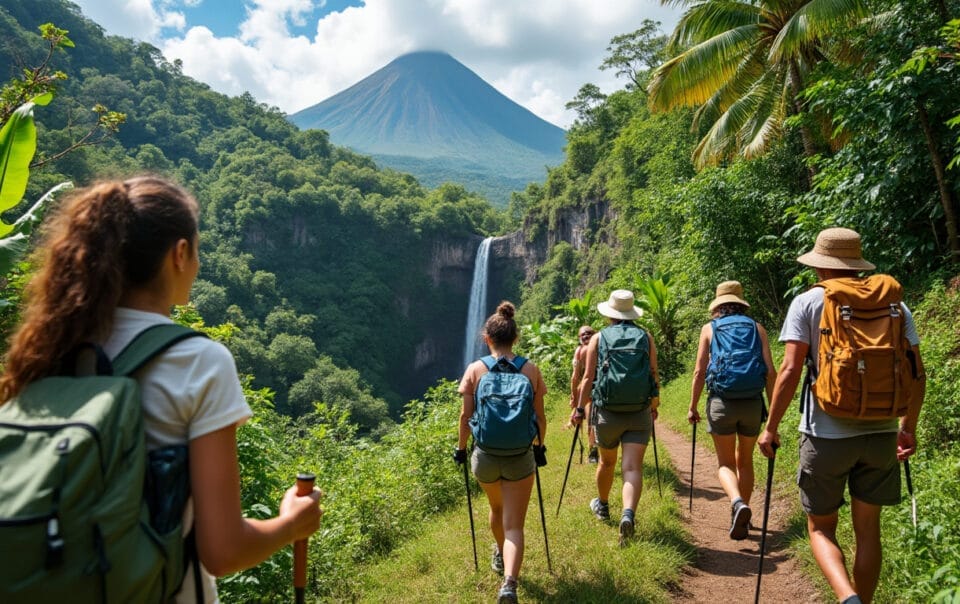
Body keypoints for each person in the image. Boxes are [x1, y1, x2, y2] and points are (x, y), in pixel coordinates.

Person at [0, 176, 323, 603]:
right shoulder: (199, 363)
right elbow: (223, 552)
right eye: (198, 249)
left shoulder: (46, 349)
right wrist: (293, 523)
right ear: (180, 253)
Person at [758, 228, 925, 604]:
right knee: (869, 532)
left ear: (820, 266)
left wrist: (770, 427)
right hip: (881, 432)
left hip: (825, 434)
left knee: (819, 528)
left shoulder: (807, 302)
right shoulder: (896, 305)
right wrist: (907, 427)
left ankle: (847, 598)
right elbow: (918, 373)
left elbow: (789, 370)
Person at [455, 301, 547, 604]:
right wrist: (539, 447)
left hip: (485, 458)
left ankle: (498, 553)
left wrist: (460, 449)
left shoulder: (475, 369)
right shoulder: (530, 369)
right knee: (514, 525)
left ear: (487, 339)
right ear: (516, 338)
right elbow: (540, 417)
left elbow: (465, 417)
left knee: (496, 510)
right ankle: (509, 582)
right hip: (520, 457)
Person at [571, 289, 660, 547]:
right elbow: (654, 373)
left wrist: (578, 409)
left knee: (606, 463)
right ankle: (628, 513)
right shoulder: (646, 337)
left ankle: (604, 505)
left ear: (610, 313)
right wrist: (654, 404)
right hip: (639, 412)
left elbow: (588, 378)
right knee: (632, 467)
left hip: (607, 412)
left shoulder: (598, 338)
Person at [688, 281, 776, 539]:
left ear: (718, 305)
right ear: (741, 303)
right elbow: (771, 372)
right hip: (752, 402)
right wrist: (772, 416)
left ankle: (738, 502)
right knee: (745, 460)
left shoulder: (710, 328)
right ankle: (743, 515)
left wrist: (693, 406)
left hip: (721, 403)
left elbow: (699, 371)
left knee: (726, 463)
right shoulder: (757, 328)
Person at [570, 325, 599, 463]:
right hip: (587, 390)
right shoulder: (579, 351)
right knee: (591, 420)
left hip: (601, 388)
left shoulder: (601, 346)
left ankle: (597, 449)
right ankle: (593, 450)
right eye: (582, 335)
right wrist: (574, 397)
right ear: (579, 338)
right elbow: (575, 376)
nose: (586, 336)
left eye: (588, 333)